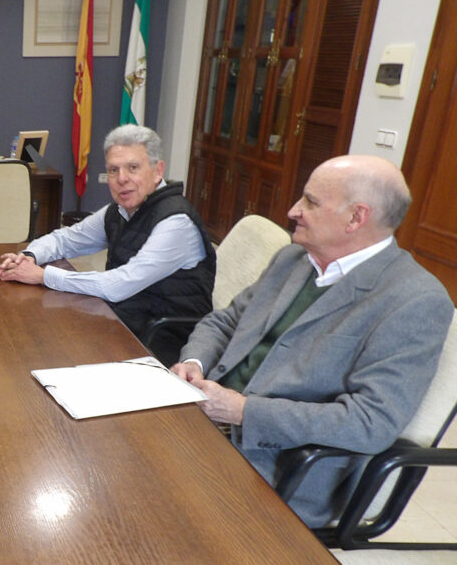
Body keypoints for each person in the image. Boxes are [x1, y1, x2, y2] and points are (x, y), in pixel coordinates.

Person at [170, 155, 453, 527]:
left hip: (280, 467)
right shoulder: (293, 258)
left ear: (356, 218)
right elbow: (226, 321)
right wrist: (195, 363)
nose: (293, 211)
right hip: (205, 421)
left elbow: (370, 421)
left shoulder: (414, 300)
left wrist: (243, 411)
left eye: (310, 202)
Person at [0, 125, 215, 362]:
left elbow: (118, 285)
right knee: (33, 342)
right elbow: (66, 239)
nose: (122, 179)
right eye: (113, 170)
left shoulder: (176, 223)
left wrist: (42, 275)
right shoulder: (120, 211)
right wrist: (30, 255)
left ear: (157, 170)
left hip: (163, 344)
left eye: (133, 168)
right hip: (123, 323)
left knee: (48, 352)